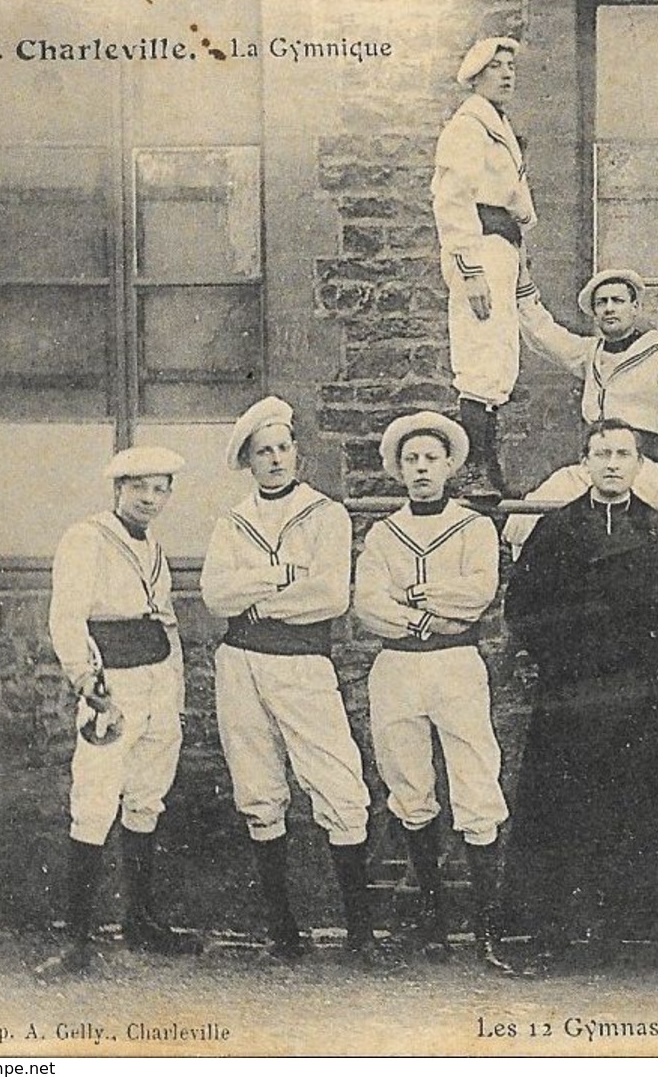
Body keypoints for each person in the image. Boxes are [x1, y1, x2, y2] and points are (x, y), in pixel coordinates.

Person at [502, 418, 658, 966]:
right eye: (602, 453)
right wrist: (562, 658)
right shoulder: (555, 531)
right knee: (560, 805)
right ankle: (551, 927)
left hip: (635, 692)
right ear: (584, 463)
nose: (612, 463)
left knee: (632, 802)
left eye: (623, 454)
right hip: (570, 689)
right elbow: (525, 607)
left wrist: (644, 660)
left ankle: (628, 930)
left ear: (638, 465)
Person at [200, 397, 376, 964]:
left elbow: (329, 596)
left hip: (303, 665)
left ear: (297, 452)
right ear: (248, 462)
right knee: (258, 788)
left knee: (339, 786)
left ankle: (361, 936)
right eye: (262, 452)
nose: (274, 459)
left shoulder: (325, 514)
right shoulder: (233, 520)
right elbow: (216, 596)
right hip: (240, 664)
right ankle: (284, 934)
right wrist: (279, 577)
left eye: (282, 448)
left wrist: (258, 600)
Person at [354, 411, 514, 974]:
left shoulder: (473, 527)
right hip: (399, 667)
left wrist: (417, 591)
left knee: (476, 787)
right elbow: (369, 604)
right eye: (411, 460)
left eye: (431, 459)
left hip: (456, 666)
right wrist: (424, 619)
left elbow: (477, 594)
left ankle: (488, 934)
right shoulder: (382, 532)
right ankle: (434, 923)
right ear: (398, 470)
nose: (422, 468)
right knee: (410, 789)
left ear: (450, 466)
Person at [39, 446, 201, 975]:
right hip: (113, 685)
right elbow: (68, 616)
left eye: (160, 489)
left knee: (147, 797)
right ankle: (77, 940)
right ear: (118, 489)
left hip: (156, 681)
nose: (150, 498)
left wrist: (173, 690)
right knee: (94, 799)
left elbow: (167, 621)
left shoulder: (153, 545)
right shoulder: (87, 537)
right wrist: (87, 681)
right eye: (139, 488)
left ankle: (140, 922)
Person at [504, 267, 658, 552]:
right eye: (601, 303)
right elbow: (545, 335)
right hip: (592, 464)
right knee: (528, 514)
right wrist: (523, 284)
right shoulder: (591, 352)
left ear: (635, 307)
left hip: (643, 466)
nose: (609, 309)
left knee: (615, 532)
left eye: (618, 301)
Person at [433, 36, 537, 501]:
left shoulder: (499, 126)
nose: (507, 74)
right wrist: (469, 269)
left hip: (501, 247)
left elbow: (515, 196)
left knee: (498, 359)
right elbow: (453, 200)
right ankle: (475, 467)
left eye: (511, 66)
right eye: (496, 67)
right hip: (477, 245)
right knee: (479, 355)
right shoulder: (468, 126)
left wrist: (524, 221)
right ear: (475, 76)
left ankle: (487, 466)